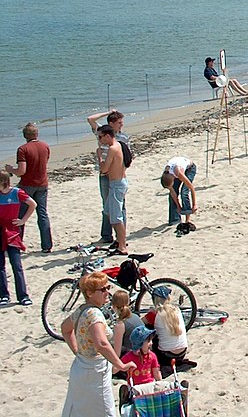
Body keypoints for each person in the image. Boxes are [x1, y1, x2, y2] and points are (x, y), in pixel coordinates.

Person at [60, 272, 137, 416]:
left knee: (78, 409)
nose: (107, 292)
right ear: (89, 293)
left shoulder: (81, 309)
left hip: (80, 365)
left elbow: (65, 329)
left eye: (107, 287)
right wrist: (121, 365)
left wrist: (77, 350)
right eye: (102, 290)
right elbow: (101, 343)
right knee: (105, 411)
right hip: (96, 370)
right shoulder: (95, 314)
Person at [87, 110, 131, 246]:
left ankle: (121, 238)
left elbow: (128, 157)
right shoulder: (103, 133)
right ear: (111, 123)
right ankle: (107, 235)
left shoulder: (122, 138)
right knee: (107, 207)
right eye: (119, 123)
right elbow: (90, 119)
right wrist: (108, 112)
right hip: (105, 176)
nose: (121, 126)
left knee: (119, 207)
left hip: (115, 175)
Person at [6, 121, 52, 252]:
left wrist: (10, 169)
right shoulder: (45, 146)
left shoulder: (23, 149)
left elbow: (21, 171)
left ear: (25, 136)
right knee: (42, 214)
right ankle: (47, 245)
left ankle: (17, 243)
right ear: (36, 134)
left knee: (20, 215)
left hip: (27, 184)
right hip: (42, 183)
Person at [0, 170, 36, 305]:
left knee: (16, 265)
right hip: (0, 230)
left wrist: (23, 220)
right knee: (0, 265)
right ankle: (4, 295)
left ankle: (23, 296)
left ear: (3, 182)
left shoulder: (16, 192)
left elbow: (33, 204)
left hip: (13, 231)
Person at [96, 125, 130, 255]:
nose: (100, 140)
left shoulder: (113, 148)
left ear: (108, 136)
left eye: (101, 137)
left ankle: (122, 245)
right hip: (117, 183)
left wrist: (100, 157)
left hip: (117, 184)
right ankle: (120, 241)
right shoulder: (118, 145)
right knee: (108, 211)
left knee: (116, 217)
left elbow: (104, 170)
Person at [150, 285, 194, 370]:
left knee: (149, 330)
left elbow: (141, 323)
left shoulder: (155, 314)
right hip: (182, 352)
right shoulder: (177, 310)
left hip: (166, 356)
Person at [161, 156, 198, 230]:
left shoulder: (178, 172)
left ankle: (187, 220)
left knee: (184, 192)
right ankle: (175, 219)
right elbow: (173, 193)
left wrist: (194, 205)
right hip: (176, 170)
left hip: (190, 169)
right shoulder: (166, 174)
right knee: (172, 195)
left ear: (173, 179)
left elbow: (191, 188)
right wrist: (178, 206)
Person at [110, 289, 143, 357]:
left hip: (133, 357)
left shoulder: (120, 325)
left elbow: (117, 353)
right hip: (144, 353)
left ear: (113, 306)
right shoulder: (136, 316)